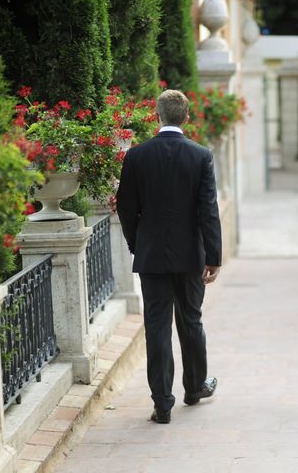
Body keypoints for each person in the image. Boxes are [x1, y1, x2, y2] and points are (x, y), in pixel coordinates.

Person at [116, 89, 222, 425]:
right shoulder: (200, 155)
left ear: (157, 116)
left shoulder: (136, 156)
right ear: (186, 117)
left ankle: (162, 403)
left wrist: (137, 244)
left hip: (152, 257)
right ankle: (194, 388)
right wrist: (213, 256)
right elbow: (208, 209)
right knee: (191, 321)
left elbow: (126, 207)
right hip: (191, 255)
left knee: (157, 328)